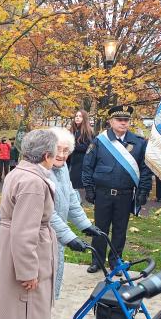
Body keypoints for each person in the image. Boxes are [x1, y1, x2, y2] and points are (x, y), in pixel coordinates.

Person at [0, 129, 58, 319]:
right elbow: (24, 233)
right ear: (47, 155)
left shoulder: (21, 173)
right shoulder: (32, 182)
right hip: (25, 255)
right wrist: (29, 272)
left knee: (19, 315)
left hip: (15, 249)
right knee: (25, 316)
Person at [82, 106, 152, 274]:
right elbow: (87, 166)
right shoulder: (100, 141)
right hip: (103, 194)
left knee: (120, 230)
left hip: (125, 195)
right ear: (111, 122)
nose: (122, 123)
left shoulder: (139, 142)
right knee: (100, 229)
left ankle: (115, 262)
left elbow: (145, 170)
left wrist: (143, 191)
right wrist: (89, 188)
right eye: (119, 120)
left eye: (126, 120)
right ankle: (97, 261)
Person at [48, 127, 101, 298]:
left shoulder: (62, 168)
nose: (62, 155)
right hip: (39, 238)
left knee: (52, 278)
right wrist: (69, 237)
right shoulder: (42, 171)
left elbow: (71, 198)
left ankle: (43, 316)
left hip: (55, 236)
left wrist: (85, 225)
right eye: (58, 149)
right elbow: (46, 213)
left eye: (66, 151)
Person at [67, 110, 94, 196]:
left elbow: (89, 147)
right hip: (70, 160)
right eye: (76, 116)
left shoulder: (88, 132)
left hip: (82, 162)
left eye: (80, 116)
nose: (77, 118)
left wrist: (72, 146)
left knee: (77, 186)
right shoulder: (72, 131)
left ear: (84, 118)